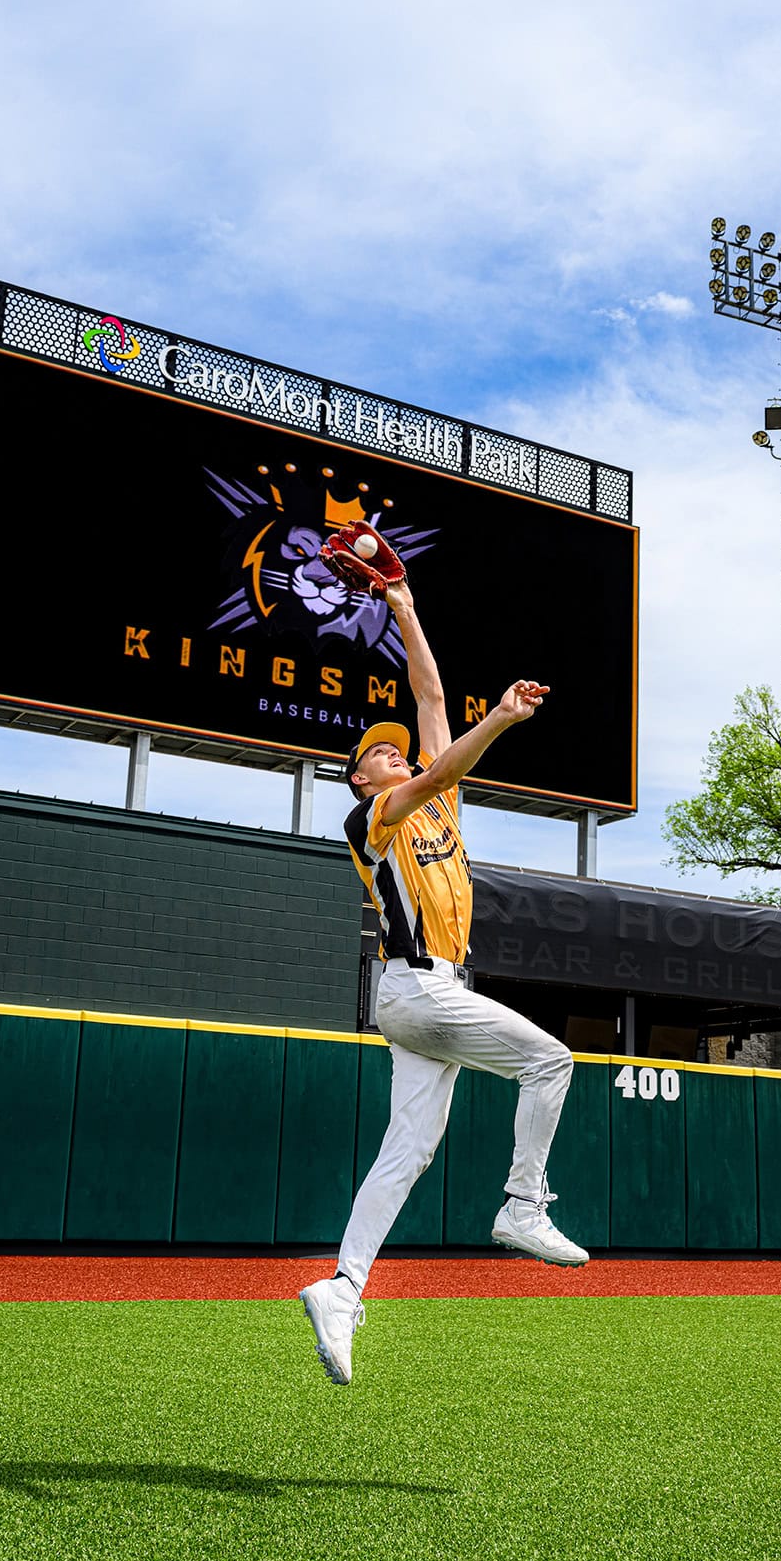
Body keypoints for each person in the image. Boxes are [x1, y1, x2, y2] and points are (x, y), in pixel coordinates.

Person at [299, 577, 587, 1386]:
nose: (396, 753)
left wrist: (404, 608)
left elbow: (429, 698)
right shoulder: (374, 816)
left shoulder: (439, 804)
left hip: (425, 999)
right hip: (418, 990)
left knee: (406, 1155)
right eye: (377, 754)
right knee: (550, 1061)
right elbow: (433, 768)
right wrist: (497, 718)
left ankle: (342, 1286)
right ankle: (522, 1207)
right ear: (361, 779)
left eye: (398, 748)